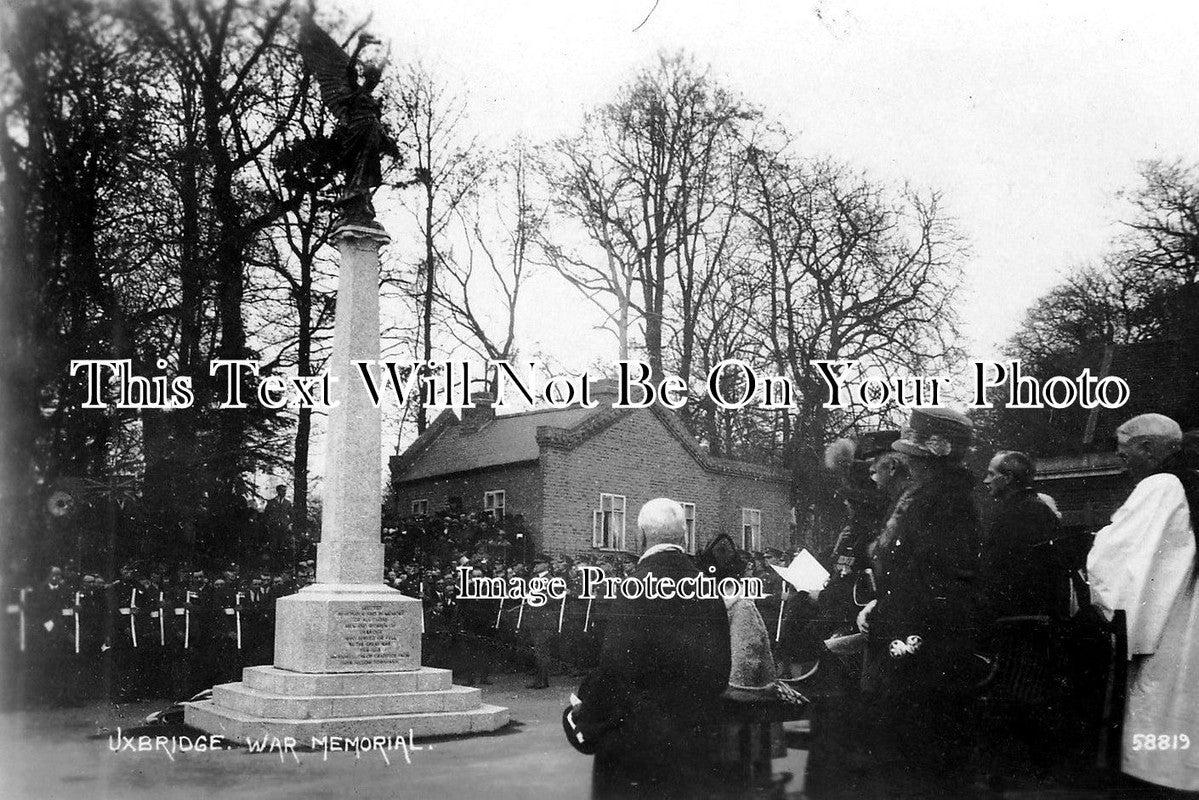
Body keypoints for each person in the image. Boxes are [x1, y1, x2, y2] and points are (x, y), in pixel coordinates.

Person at [857, 408, 982, 798]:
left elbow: (931, 579)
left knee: (917, 756)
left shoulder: (942, 502)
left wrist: (889, 617)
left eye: (914, 453)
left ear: (933, 455)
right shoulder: (941, 496)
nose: (908, 460)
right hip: (918, 637)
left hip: (923, 646)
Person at [573, 498, 731, 799]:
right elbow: (719, 674)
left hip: (640, 746)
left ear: (641, 538)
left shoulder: (633, 588)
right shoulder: (709, 589)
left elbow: (613, 674)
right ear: (683, 539)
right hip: (696, 743)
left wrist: (584, 707)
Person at [1086, 413, 1199, 793]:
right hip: (1183, 605)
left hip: (1169, 618)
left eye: (1124, 454)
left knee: (1158, 704)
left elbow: (1120, 556)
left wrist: (1099, 540)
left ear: (1148, 448)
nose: (1123, 465)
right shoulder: (1186, 480)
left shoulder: (1161, 485)